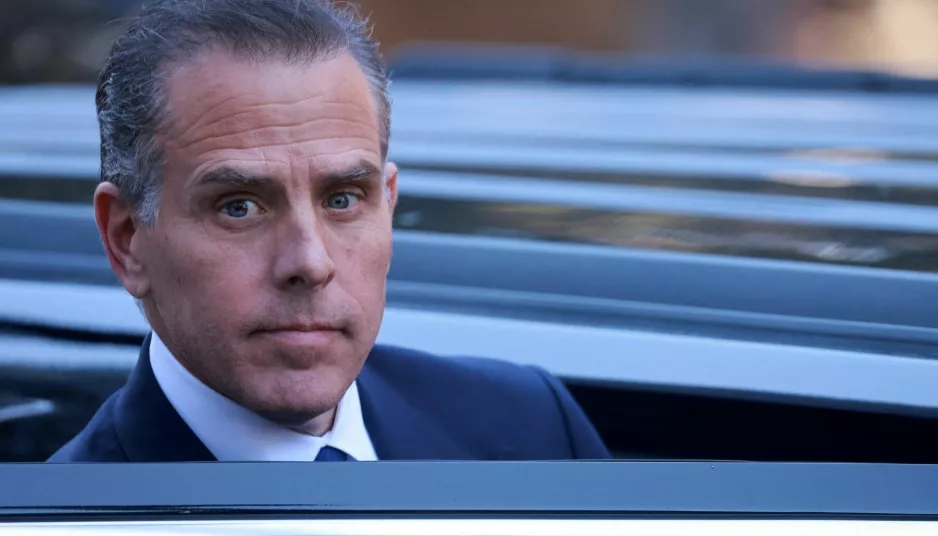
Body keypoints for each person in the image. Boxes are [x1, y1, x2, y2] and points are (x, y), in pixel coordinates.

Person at [48, 0, 609, 463]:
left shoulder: (532, 432)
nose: (311, 262)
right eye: (239, 207)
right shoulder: (53, 534)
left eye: (342, 199)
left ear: (388, 204)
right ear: (126, 240)